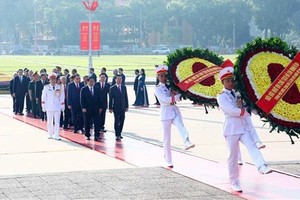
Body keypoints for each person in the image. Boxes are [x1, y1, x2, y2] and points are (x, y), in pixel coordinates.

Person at [216, 60, 272, 193]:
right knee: (232, 156)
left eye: (232, 79)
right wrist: (243, 110)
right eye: (228, 80)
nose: (231, 82)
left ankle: (262, 166)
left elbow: (247, 106)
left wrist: (259, 112)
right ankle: (234, 182)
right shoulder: (221, 96)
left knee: (252, 146)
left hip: (242, 127)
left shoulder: (238, 93)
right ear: (223, 82)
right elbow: (231, 110)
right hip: (231, 129)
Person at [154, 65, 195, 167]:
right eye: (161, 76)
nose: (164, 77)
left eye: (165, 75)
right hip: (165, 113)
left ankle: (186, 141)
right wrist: (176, 97)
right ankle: (168, 160)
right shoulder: (157, 88)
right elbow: (164, 100)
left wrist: (179, 93)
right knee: (167, 139)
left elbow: (177, 94)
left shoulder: (171, 85)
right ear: (158, 77)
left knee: (181, 125)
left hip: (174, 110)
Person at [41, 73, 65, 140]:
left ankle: (56, 135)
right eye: (52, 79)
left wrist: (63, 105)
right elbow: (43, 97)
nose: (53, 80)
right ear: (49, 80)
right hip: (49, 106)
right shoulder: (46, 87)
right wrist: (43, 105)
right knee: (49, 121)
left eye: (54, 79)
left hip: (57, 106)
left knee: (57, 121)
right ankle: (50, 134)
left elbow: (62, 96)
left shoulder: (60, 86)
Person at [109, 74, 129, 140]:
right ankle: (117, 134)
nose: (119, 80)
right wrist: (110, 107)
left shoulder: (124, 87)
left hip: (123, 107)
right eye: (118, 79)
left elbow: (126, 97)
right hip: (116, 107)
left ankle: (119, 132)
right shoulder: (112, 88)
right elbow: (110, 99)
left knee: (122, 120)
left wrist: (127, 106)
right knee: (116, 120)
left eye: (120, 79)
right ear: (115, 80)